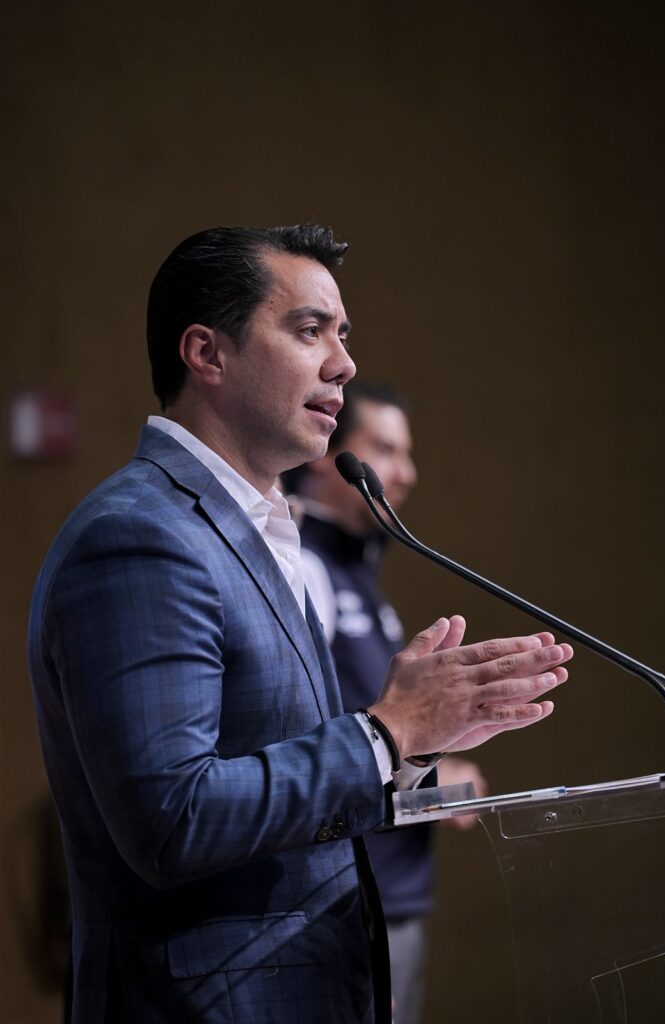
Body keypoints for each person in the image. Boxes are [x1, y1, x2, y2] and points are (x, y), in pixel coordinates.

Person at [28, 225, 572, 1024]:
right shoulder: (140, 535)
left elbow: (281, 766)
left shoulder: (258, 529)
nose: (343, 364)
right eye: (310, 330)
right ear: (207, 354)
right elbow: (171, 821)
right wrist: (385, 733)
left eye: (343, 335)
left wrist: (411, 749)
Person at [285, 381, 487, 1024]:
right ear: (327, 456)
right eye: (385, 450)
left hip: (394, 892)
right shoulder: (299, 566)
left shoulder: (361, 573)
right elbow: (301, 733)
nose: (406, 473)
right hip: (343, 900)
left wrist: (435, 760)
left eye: (407, 453)